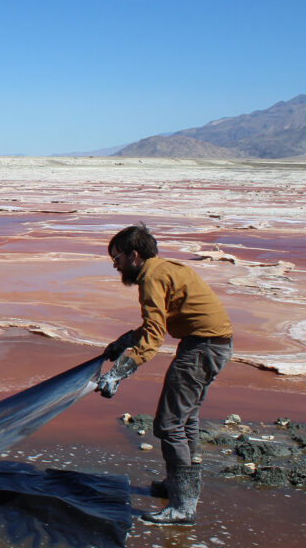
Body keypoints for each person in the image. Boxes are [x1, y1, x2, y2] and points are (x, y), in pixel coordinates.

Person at [97, 224, 233, 525]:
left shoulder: (151, 277)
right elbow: (152, 327)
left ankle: (183, 507)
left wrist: (119, 373)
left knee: (170, 425)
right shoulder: (163, 269)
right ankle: (178, 487)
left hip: (202, 349)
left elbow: (154, 337)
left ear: (134, 256)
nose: (115, 265)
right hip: (210, 345)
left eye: (116, 258)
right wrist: (125, 341)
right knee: (186, 419)